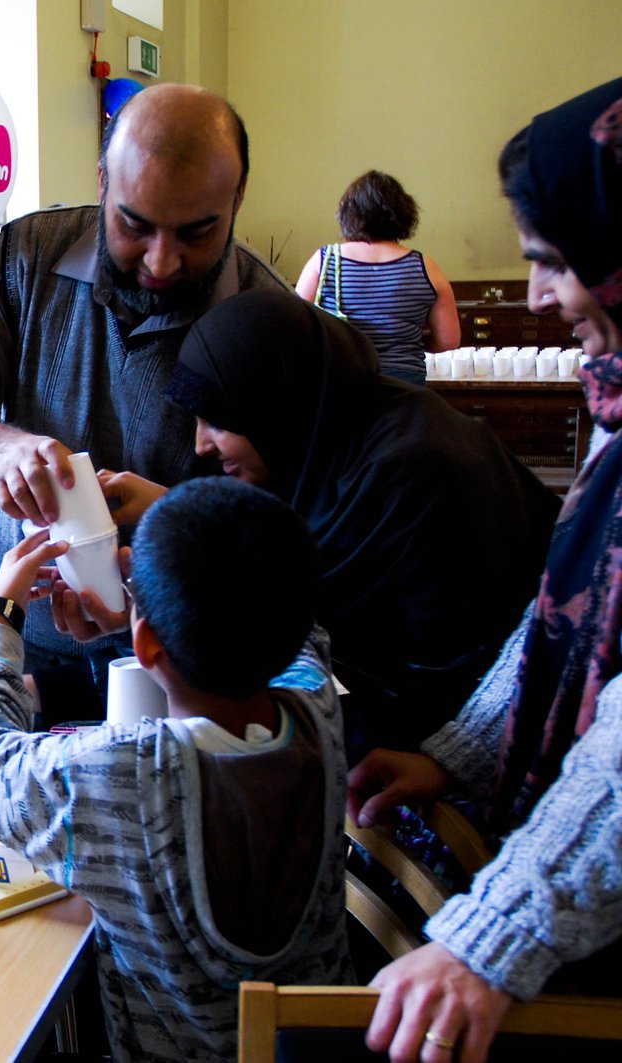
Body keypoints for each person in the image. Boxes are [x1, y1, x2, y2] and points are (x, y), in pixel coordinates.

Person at [347, 77, 622, 1063]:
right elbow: (564, 610)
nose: (542, 297)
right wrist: (460, 752)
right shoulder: (615, 402)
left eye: (554, 265)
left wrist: (495, 933)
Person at [0, 478, 352, 1061]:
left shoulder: (125, 776)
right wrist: (162, 580)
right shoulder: (319, 711)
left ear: (149, 646)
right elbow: (302, 626)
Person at [0, 81, 287, 679]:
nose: (161, 261)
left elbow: (285, 534)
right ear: (103, 183)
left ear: (237, 200)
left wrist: (158, 559)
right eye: (135, 226)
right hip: (23, 650)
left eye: (196, 233)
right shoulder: (21, 260)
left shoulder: (270, 320)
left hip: (189, 673)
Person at [101, 289, 556, 760]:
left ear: (277, 402)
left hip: (481, 747)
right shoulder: (326, 440)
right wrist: (174, 517)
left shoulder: (416, 474)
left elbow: (443, 680)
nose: (202, 445)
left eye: (219, 420)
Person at [294, 170, 460, 384]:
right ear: (404, 213)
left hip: (340, 383)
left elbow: (295, 329)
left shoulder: (325, 261)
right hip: (405, 385)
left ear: (349, 212)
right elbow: (448, 340)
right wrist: (406, 339)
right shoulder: (426, 268)